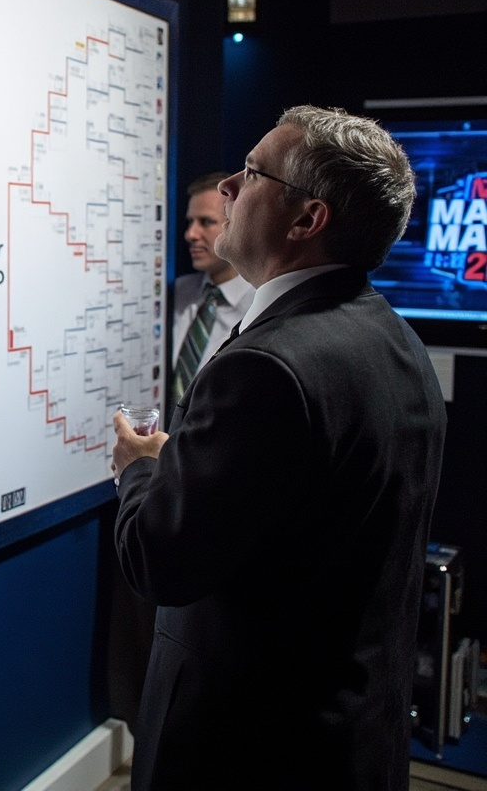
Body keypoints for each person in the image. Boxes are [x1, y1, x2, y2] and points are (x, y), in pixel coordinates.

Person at [111, 105, 446, 791]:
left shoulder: (266, 367)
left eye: (252, 172)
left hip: (249, 751)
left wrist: (142, 472)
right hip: (348, 740)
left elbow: (162, 559)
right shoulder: (395, 340)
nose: (228, 187)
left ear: (306, 220)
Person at [171, 172, 255, 400]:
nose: (190, 234)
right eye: (190, 222)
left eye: (206, 222)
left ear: (238, 225)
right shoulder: (177, 293)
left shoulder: (261, 309)